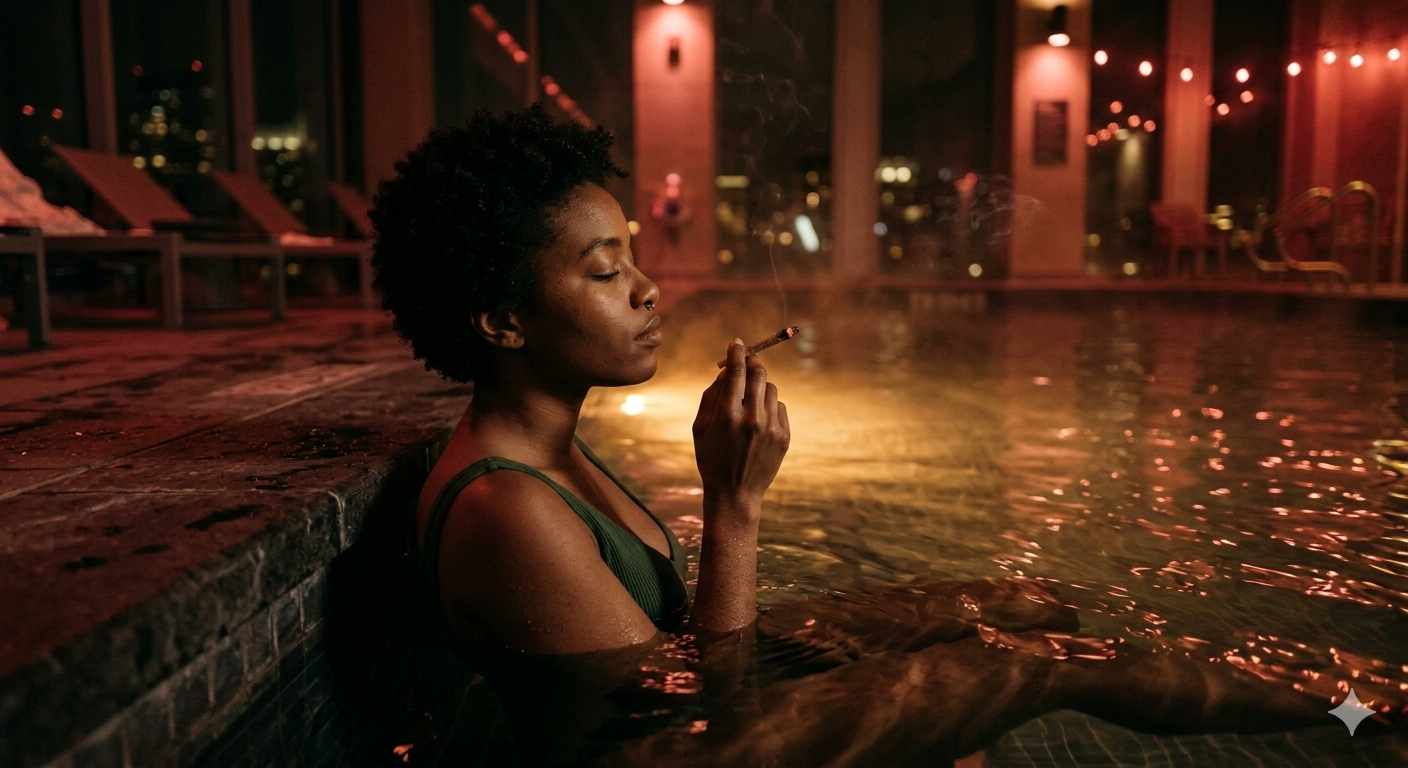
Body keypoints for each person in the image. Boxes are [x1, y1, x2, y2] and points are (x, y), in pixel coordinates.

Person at [369, 106, 1384, 766]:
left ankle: (1326, 699)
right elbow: (697, 707)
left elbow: (684, 660)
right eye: (602, 272)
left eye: (631, 257)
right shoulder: (509, 507)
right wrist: (734, 502)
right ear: (500, 320)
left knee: (1021, 600)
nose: (647, 289)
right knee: (1038, 658)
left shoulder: (551, 444)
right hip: (689, 749)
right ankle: (1356, 711)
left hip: (697, 703)